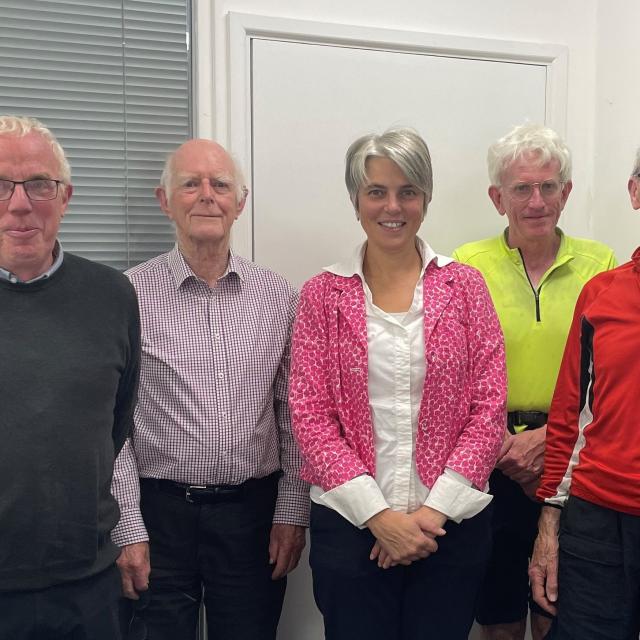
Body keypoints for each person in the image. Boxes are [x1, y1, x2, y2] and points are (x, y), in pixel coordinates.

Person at [289, 128, 506, 640]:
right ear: (355, 200)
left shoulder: (465, 286)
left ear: (425, 199)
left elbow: (489, 405)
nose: (393, 205)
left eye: (408, 191)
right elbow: (310, 414)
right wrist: (380, 517)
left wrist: (429, 516)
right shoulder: (323, 294)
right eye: (376, 191)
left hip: (451, 527)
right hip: (351, 528)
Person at [111, 138, 310, 640]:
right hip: (159, 517)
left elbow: (293, 415)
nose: (207, 196)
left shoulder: (279, 298)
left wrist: (291, 512)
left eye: (220, 184)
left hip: (252, 518)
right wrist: (127, 528)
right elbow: (113, 427)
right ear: (164, 200)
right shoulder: (127, 296)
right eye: (190, 184)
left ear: (240, 202)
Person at [453, 123, 616, 640]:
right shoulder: (465, 265)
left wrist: (550, 443)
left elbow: (606, 378)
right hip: (489, 456)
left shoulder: (601, 266)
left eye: (549, 186)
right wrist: (504, 448)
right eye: (521, 188)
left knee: (556, 603)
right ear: (497, 198)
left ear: (566, 193)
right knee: (498, 609)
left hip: (573, 459)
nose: (536, 201)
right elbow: (452, 374)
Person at [0, 115, 141, 640]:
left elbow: (114, 422)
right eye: (2, 185)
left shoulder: (111, 296)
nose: (20, 204)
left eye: (39, 184)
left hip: (87, 582)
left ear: (65, 197)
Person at [529, 153, 640, 639]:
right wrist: (549, 522)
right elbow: (570, 414)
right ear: (635, 192)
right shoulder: (602, 294)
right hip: (596, 522)